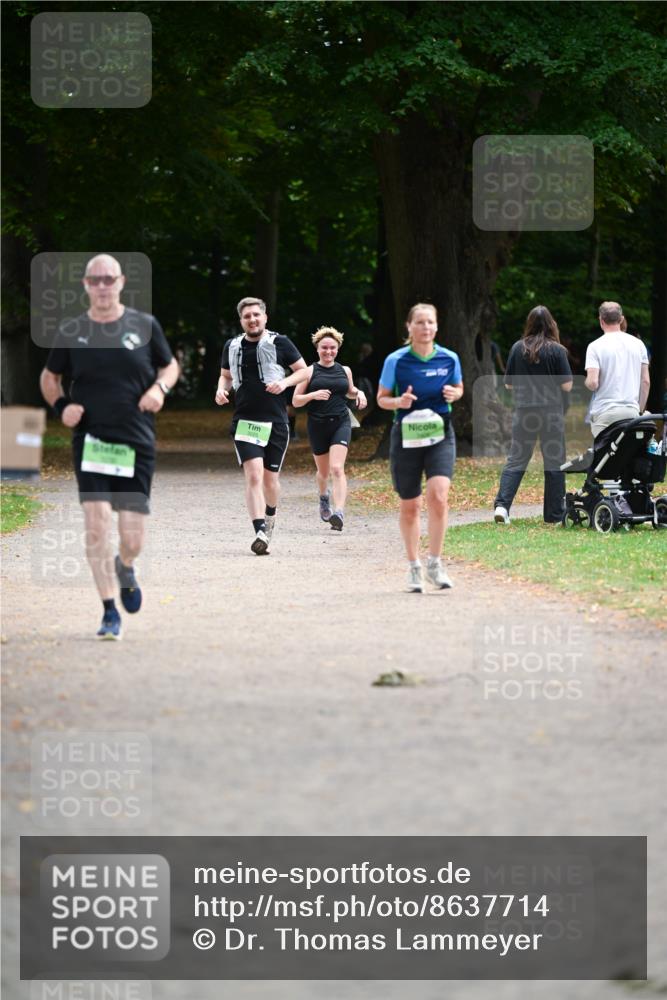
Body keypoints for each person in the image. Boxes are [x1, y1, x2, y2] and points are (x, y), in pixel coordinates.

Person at [39, 254, 180, 640]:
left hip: (135, 440)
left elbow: (170, 367)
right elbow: (49, 378)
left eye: (109, 279)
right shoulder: (72, 330)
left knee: (132, 537)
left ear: (120, 283)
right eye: (95, 279)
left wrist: (159, 388)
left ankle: (126, 565)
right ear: (86, 285)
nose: (102, 285)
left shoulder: (144, 325)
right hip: (92, 441)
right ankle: (108, 611)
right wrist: (62, 406)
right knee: (96, 526)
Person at [376, 303, 463, 593]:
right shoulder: (396, 361)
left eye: (431, 323)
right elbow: (382, 399)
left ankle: (435, 563)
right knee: (410, 505)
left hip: (440, 433)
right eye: (421, 322)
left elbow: (459, 388)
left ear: (437, 327)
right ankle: (414, 566)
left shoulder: (449, 358)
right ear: (409, 327)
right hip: (407, 436)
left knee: (438, 496)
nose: (426, 327)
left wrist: (455, 392)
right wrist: (398, 403)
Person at [215, 297, 306, 554]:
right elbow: (225, 376)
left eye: (256, 315)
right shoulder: (232, 346)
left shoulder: (281, 342)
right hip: (245, 420)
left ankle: (270, 516)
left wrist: (285, 383)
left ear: (265, 317)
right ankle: (259, 532)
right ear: (241, 320)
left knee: (270, 480)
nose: (252, 319)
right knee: (253, 475)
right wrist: (221, 391)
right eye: (247, 316)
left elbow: (304, 371)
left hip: (276, 422)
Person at [267, 327, 367, 531]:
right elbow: (295, 400)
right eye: (324, 348)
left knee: (337, 468)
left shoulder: (344, 370)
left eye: (332, 348)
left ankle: (339, 512)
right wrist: (313, 395)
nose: (328, 352)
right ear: (317, 349)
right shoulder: (309, 372)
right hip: (317, 425)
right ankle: (324, 498)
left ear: (338, 349)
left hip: (341, 422)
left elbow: (348, 391)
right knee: (323, 472)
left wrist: (359, 393)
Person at [493, 305, 572, 526]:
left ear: (529, 324)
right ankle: (554, 515)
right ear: (551, 324)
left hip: (524, 411)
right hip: (551, 412)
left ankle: (502, 506)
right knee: (554, 462)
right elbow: (566, 386)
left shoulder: (518, 348)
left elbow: (508, 384)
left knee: (516, 459)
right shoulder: (557, 350)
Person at [585, 301, 650, 439]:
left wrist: (587, 381)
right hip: (632, 412)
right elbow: (645, 382)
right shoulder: (638, 344)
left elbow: (593, 383)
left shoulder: (594, 346)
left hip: (605, 413)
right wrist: (639, 411)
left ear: (601, 320)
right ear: (621, 319)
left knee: (604, 455)